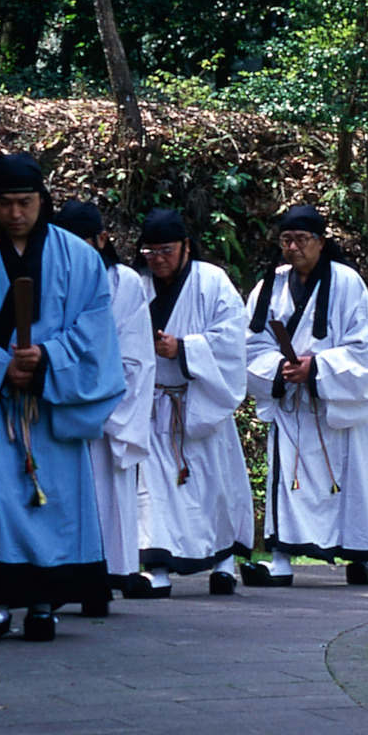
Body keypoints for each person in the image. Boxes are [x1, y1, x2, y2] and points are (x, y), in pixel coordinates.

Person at [0, 154, 124, 642]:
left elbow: (96, 328)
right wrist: (1, 366)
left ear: (43, 200)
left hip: (52, 407)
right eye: (5, 203)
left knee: (54, 506)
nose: (16, 213)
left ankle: (43, 604)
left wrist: (48, 360)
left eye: (25, 202)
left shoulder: (80, 259)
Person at [240, 205, 368, 586]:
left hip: (335, 404)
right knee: (285, 479)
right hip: (292, 401)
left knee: (353, 479)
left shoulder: (347, 282)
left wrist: (319, 368)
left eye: (301, 240)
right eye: (286, 240)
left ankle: (362, 555)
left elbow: (366, 349)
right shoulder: (269, 286)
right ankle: (281, 560)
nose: (292, 248)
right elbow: (250, 344)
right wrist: (279, 368)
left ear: (321, 243)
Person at [133, 208, 255, 597]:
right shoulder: (137, 286)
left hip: (201, 400)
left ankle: (223, 563)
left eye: (165, 250)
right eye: (149, 252)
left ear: (186, 246)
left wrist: (183, 348)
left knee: (215, 488)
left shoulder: (212, 282)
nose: (157, 260)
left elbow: (233, 340)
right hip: (155, 404)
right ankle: (159, 567)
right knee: (154, 488)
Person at [51, 199, 155, 612]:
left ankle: (104, 581)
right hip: (60, 408)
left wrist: (105, 410)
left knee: (106, 501)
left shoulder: (124, 283)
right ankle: (58, 581)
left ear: (101, 240)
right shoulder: (49, 279)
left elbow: (135, 356)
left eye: (84, 241)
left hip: (105, 414)